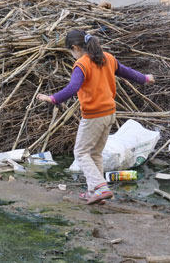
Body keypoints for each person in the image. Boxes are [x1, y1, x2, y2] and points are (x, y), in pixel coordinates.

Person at [37, 30, 154, 205]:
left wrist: (52, 98)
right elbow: (127, 72)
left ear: (76, 47)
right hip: (110, 114)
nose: (72, 54)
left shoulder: (82, 64)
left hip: (94, 116)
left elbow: (72, 88)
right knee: (95, 154)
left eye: (71, 51)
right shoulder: (107, 57)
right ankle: (95, 191)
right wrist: (145, 78)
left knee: (81, 152)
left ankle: (100, 187)